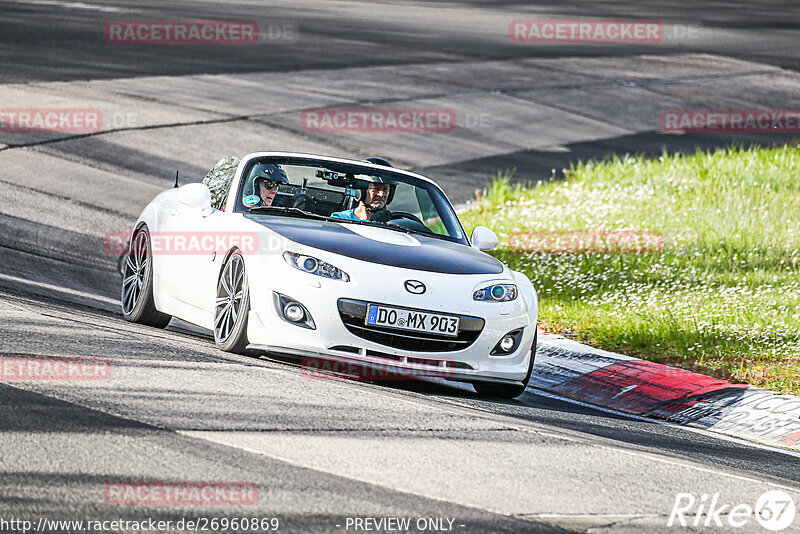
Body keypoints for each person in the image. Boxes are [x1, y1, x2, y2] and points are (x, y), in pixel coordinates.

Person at [330, 177, 395, 221]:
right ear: (361, 191)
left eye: (385, 189)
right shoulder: (340, 218)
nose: (381, 195)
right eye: (376, 189)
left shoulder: (393, 223)